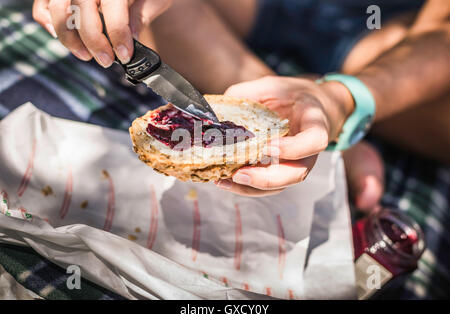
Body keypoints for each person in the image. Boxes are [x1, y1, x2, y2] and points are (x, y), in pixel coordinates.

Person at [32, 0, 450, 212]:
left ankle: (321, 108)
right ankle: (291, 101)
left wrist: (344, 97)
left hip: (396, 35)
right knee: (140, 13)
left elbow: (441, 37)